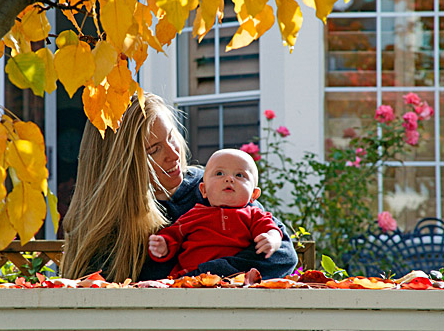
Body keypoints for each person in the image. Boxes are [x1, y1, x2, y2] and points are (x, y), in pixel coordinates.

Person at [61, 93, 298, 282]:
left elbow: (281, 256)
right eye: (154, 150)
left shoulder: (213, 186)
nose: (174, 155)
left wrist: (206, 276)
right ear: (121, 167)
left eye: (172, 138)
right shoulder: (111, 227)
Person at [148, 149, 283, 278]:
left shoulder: (253, 215)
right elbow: (173, 235)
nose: (229, 179)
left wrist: (272, 239)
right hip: (190, 280)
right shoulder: (193, 214)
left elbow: (271, 229)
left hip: (237, 282)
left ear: (254, 194)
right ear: (203, 190)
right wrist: (163, 245)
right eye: (219, 173)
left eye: (240, 175)